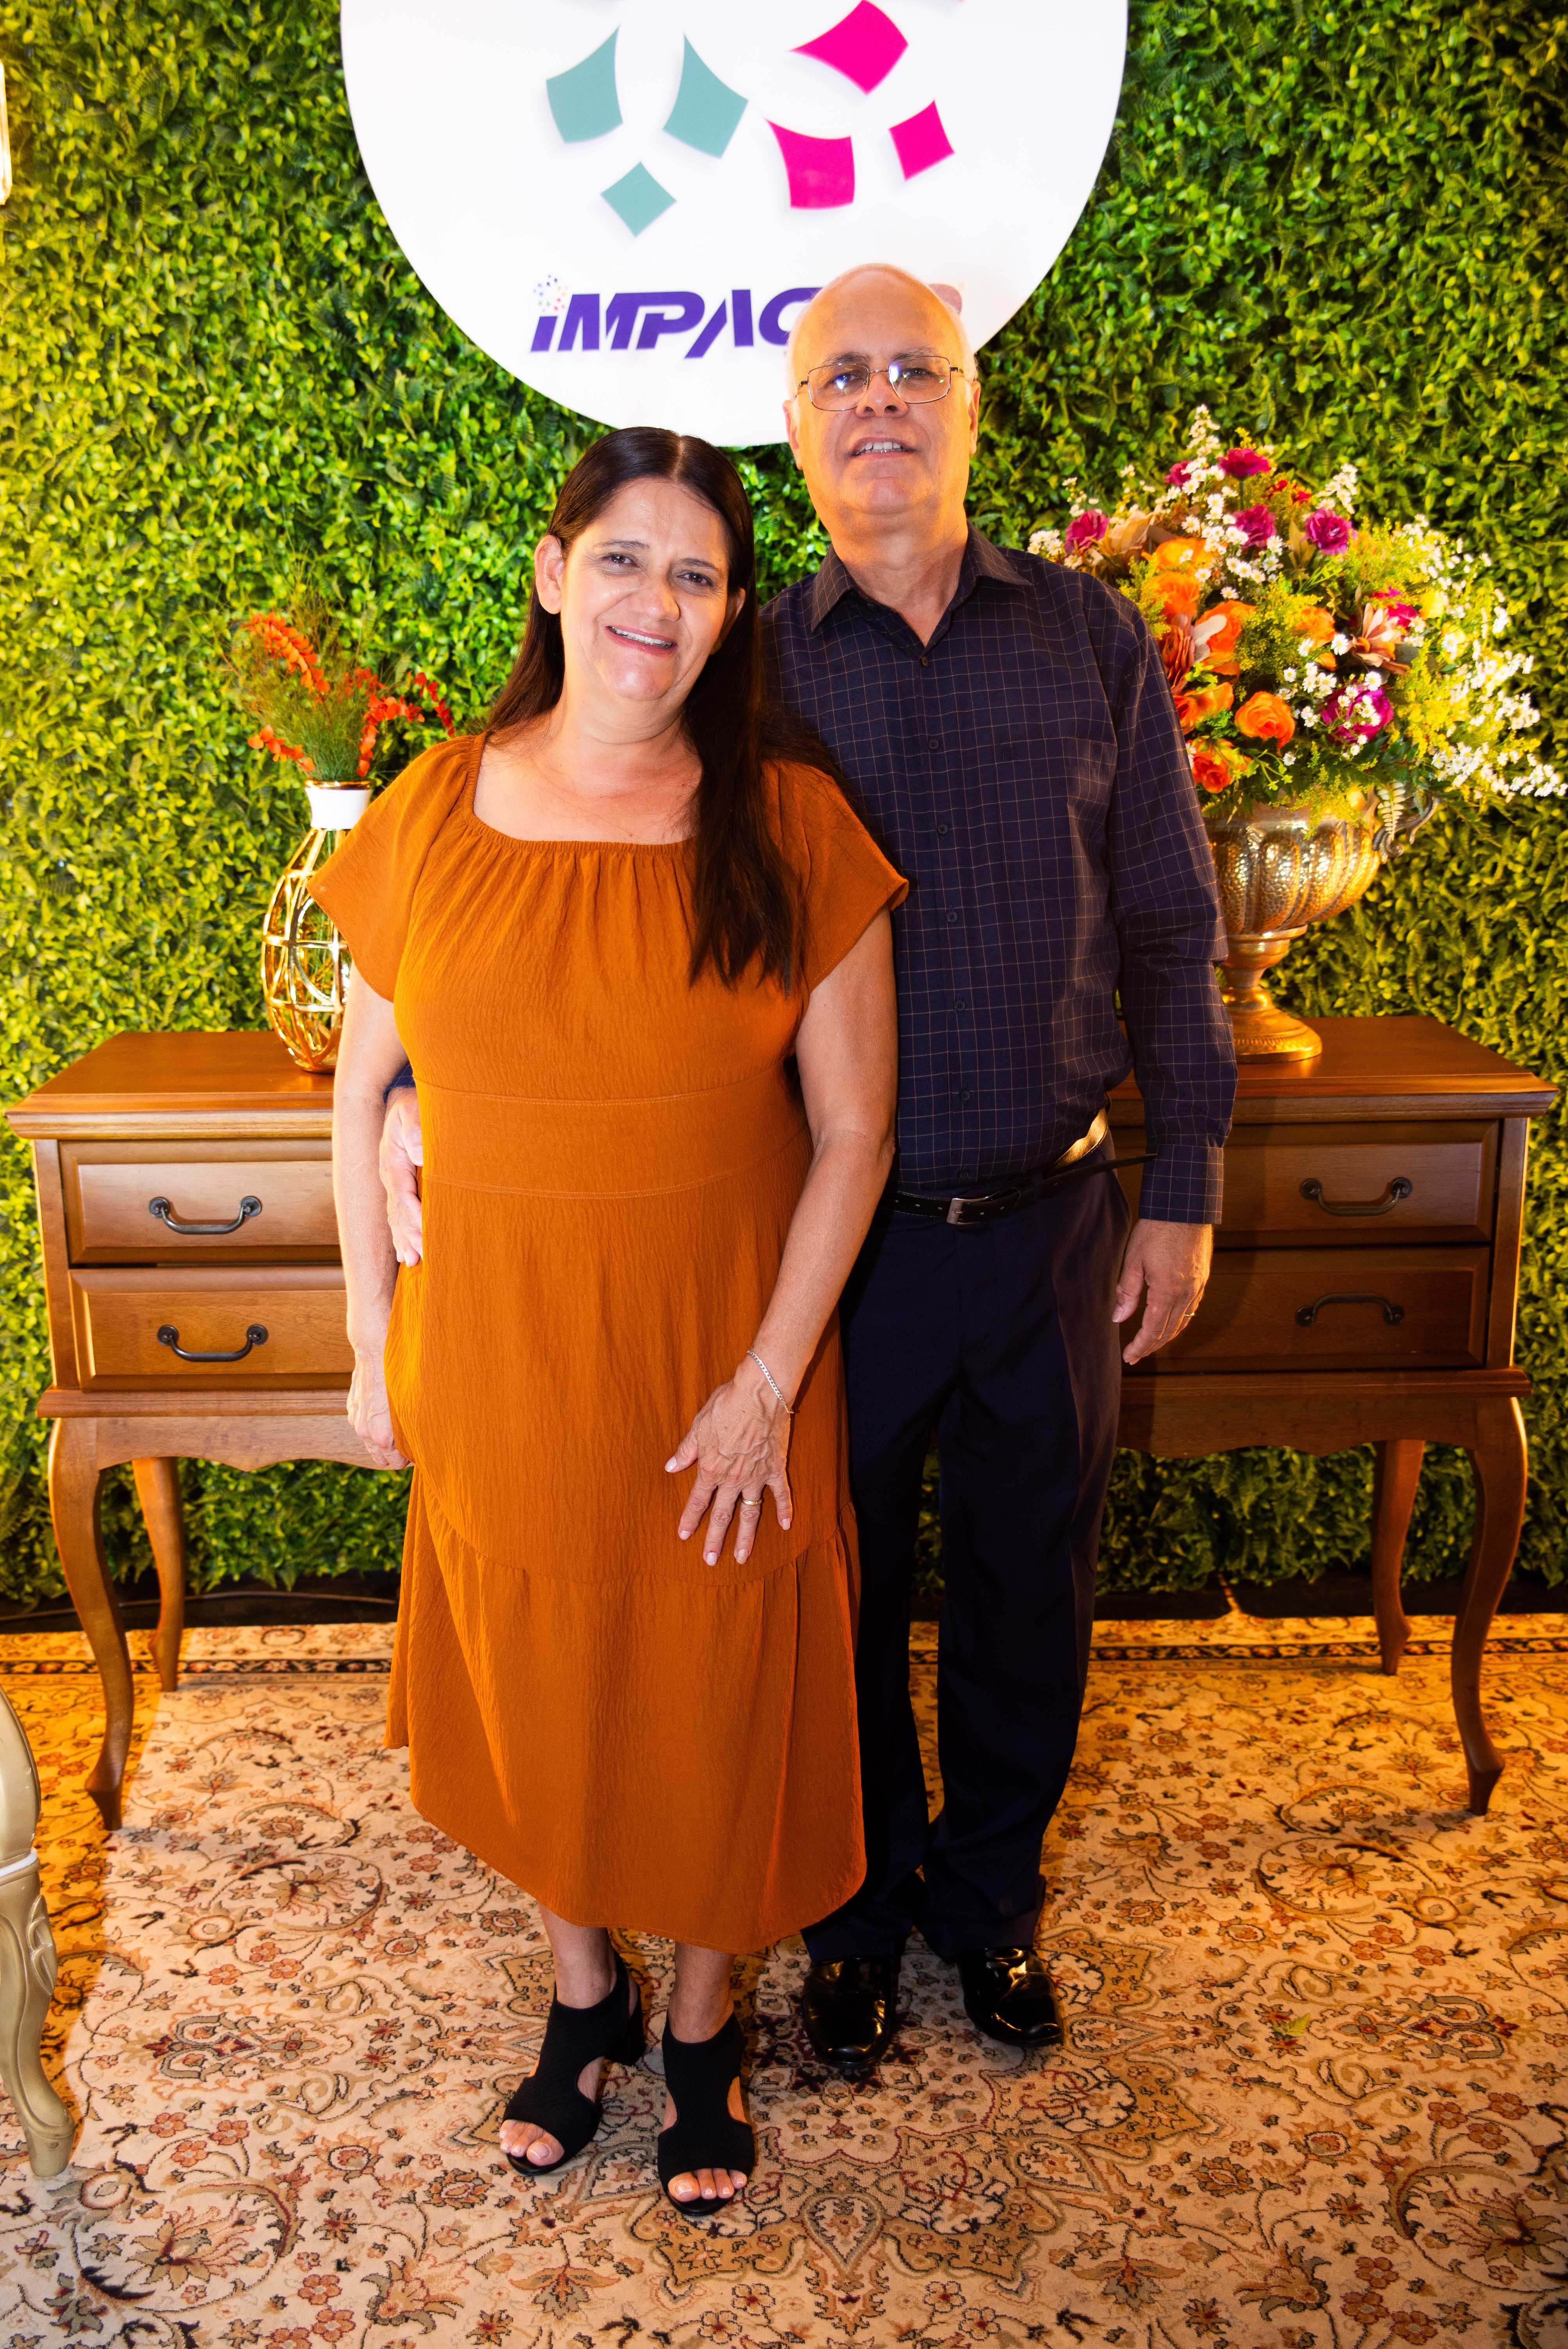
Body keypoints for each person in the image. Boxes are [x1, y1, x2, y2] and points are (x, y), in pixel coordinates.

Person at [381, 266, 1236, 2073]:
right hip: (835, 1252)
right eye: (839, 376)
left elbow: (1172, 924)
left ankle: (987, 1909)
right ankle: (846, 1920)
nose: (878, 402)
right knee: (815, 1608)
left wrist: (1184, 1180)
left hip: (1054, 1214)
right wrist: (409, 1098)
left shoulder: (1086, 637)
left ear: (967, 405)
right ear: (793, 422)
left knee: (1028, 1589)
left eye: (912, 369)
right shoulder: (739, 660)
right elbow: (568, 922)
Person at [314, 426, 904, 2213]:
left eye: (698, 574)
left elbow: (856, 1131)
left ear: (731, 617)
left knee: (718, 1687)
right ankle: (586, 1989)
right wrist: (368, 1334)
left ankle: (704, 2020)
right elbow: (359, 1089)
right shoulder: (432, 806)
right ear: (555, 573)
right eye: (627, 558)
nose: (658, 601)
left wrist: (766, 1383)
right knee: (541, 1674)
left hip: (727, 1363)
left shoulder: (788, 824)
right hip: (502, 1357)